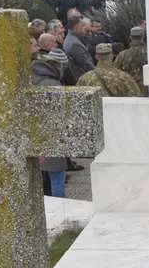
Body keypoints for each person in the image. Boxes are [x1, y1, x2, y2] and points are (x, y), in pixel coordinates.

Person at [31, 48, 70, 197]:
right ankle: (61, 206)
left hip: (34, 133)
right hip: (51, 135)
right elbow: (60, 113)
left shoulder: (33, 76)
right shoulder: (53, 84)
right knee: (57, 176)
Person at [75, 44, 143, 97]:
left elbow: (78, 100)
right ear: (112, 56)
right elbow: (136, 97)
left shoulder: (84, 79)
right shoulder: (124, 78)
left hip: (96, 111)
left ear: (96, 57)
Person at [114, 26, 149, 95]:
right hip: (147, 91)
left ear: (130, 37)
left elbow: (115, 73)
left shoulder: (122, 55)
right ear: (143, 37)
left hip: (129, 92)